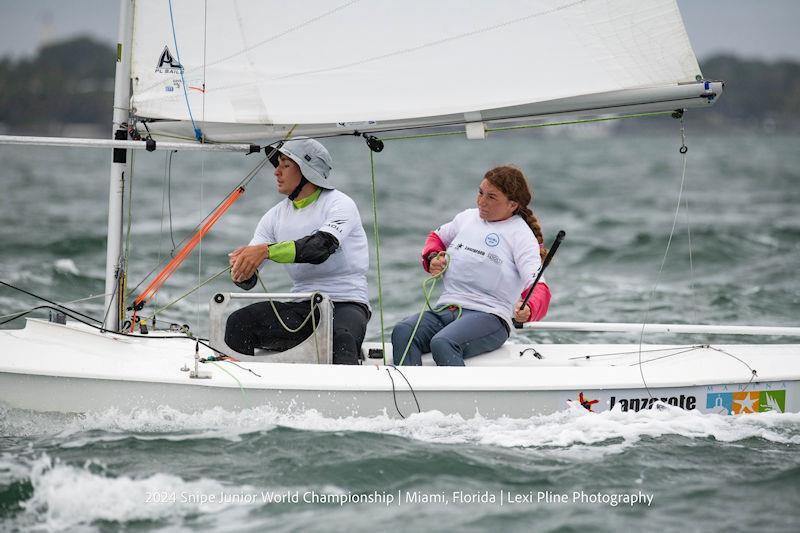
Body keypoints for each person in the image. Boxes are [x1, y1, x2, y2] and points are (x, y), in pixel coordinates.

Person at [224, 138, 370, 365]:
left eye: (285, 164)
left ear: (307, 171)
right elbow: (250, 278)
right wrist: (242, 271)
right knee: (238, 322)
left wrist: (266, 251)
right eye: (277, 164)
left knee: (340, 339)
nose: (276, 172)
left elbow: (320, 247)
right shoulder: (273, 217)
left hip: (346, 303)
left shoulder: (340, 204)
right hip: (300, 308)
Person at [392, 165, 551, 366]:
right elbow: (436, 238)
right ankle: (409, 395)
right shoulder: (466, 218)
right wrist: (433, 258)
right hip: (449, 307)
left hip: (490, 315)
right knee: (403, 332)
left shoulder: (521, 235)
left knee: (443, 343)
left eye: (491, 197)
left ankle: (456, 397)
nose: (481, 201)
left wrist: (529, 308)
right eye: (480, 192)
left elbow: (539, 286)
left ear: (512, 204)